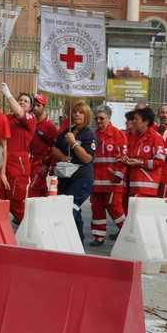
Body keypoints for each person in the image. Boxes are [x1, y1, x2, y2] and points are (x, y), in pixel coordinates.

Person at [50, 102, 96, 240]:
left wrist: (74, 143)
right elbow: (54, 148)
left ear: (86, 115)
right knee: (69, 208)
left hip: (81, 180)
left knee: (69, 209)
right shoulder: (67, 132)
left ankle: (65, 238)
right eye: (75, 111)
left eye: (81, 112)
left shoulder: (89, 135)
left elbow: (87, 158)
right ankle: (78, 240)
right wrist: (63, 157)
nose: (77, 114)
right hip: (66, 178)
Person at [88, 105, 128, 245]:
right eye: (97, 118)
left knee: (115, 207)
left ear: (109, 118)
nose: (99, 121)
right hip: (97, 181)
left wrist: (117, 175)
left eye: (102, 118)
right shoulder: (93, 135)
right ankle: (98, 236)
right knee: (97, 209)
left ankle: (126, 232)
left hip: (112, 181)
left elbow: (123, 158)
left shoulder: (118, 135)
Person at [0, 84, 36, 223]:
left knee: (16, 199)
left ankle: (28, 226)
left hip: (18, 163)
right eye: (20, 100)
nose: (22, 102)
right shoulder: (7, 118)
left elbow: (20, 113)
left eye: (26, 101)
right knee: (2, 197)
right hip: (3, 160)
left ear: (30, 107)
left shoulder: (30, 119)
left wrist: (8, 95)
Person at [122, 106, 166, 207]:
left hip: (146, 188)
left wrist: (141, 163)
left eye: (136, 119)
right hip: (132, 186)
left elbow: (159, 162)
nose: (133, 122)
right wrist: (126, 160)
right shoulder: (135, 137)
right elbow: (130, 155)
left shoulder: (156, 138)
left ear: (146, 121)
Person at [26, 95, 59, 198]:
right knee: (41, 191)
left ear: (44, 107)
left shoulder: (50, 127)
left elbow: (55, 148)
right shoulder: (30, 123)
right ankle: (48, 210)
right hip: (31, 161)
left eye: (38, 105)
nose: (35, 108)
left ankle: (28, 213)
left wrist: (47, 165)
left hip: (41, 163)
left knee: (33, 190)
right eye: (34, 105)